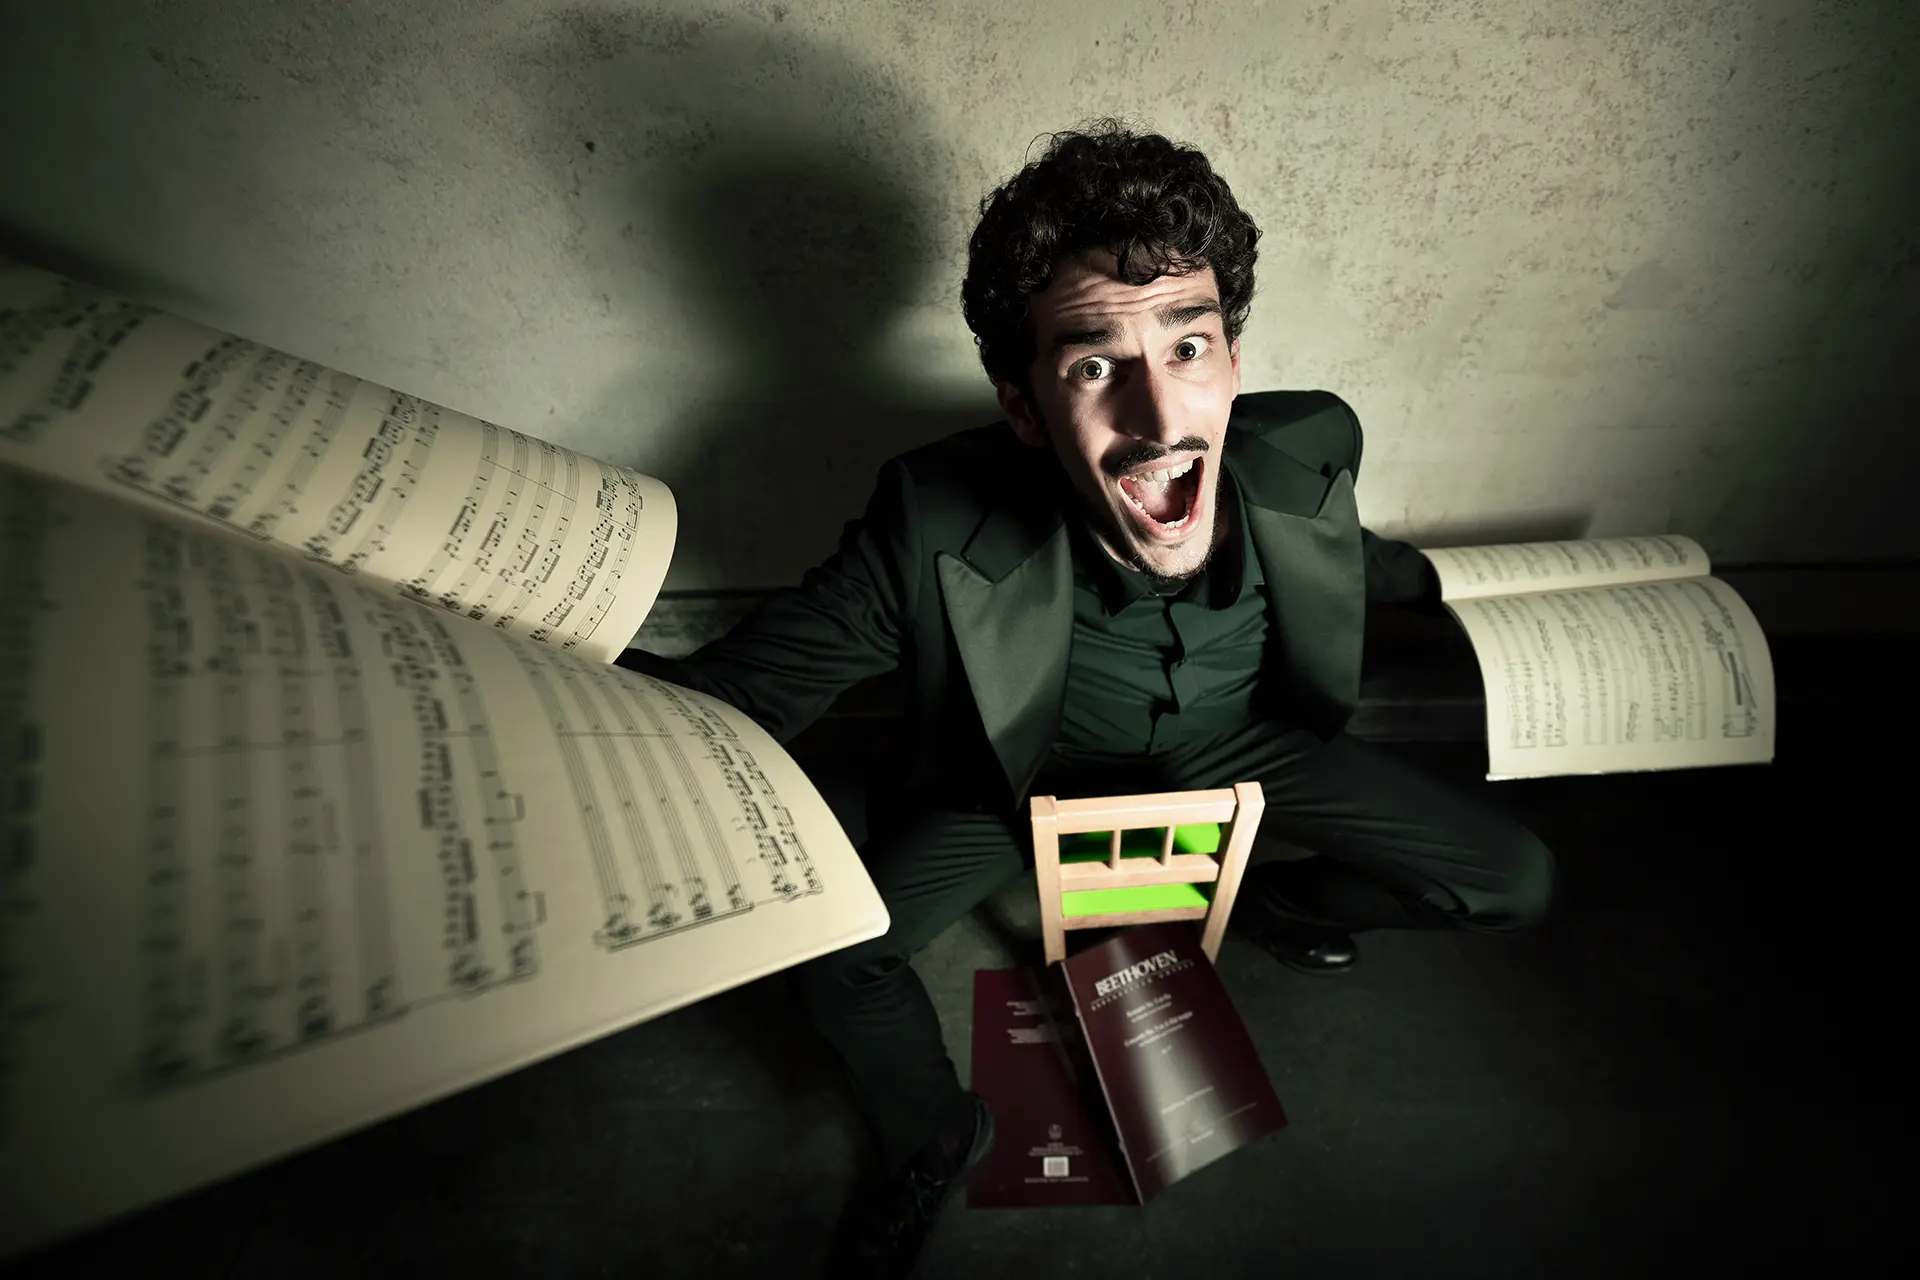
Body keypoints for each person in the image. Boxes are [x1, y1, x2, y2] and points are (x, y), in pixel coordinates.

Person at [619, 119, 1557, 1279]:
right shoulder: (932, 520)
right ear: (1024, 406)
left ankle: (1293, 908)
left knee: (1513, 878)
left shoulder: (1305, 450)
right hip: (1019, 779)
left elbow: (1362, 566)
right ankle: (932, 1132)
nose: (1163, 420)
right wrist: (531, 671)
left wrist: (1527, 587)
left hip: (1242, 746)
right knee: (826, 957)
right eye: (1096, 364)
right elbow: (734, 692)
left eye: (1190, 344)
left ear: (1234, 359)